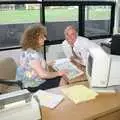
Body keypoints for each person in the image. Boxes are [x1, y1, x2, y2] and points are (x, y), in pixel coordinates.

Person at [16, 24, 68, 92]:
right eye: (42, 37)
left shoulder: (27, 50)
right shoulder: (33, 54)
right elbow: (43, 75)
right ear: (34, 39)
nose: (45, 39)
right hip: (33, 85)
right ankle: (62, 99)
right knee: (62, 78)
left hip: (29, 81)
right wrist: (59, 73)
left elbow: (34, 66)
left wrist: (47, 64)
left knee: (54, 74)